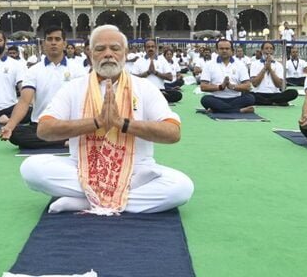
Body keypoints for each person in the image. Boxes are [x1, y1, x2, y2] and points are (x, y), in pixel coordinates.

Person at [19, 25, 193, 214]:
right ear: (90, 53)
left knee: (182, 187)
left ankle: (88, 200)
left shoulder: (144, 87)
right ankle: (118, 195)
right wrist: (96, 122)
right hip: (81, 166)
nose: (108, 54)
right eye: (101, 49)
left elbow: (173, 132)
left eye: (115, 48)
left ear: (125, 53)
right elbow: (44, 129)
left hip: (137, 168)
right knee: (31, 169)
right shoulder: (73, 88)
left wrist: (123, 123)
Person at [1, 27, 87, 149]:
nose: (53, 42)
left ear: (64, 44)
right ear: (43, 44)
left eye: (57, 39)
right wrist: (9, 126)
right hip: (41, 125)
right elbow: (24, 102)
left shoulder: (78, 69)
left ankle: (63, 139)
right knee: (16, 133)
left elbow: (85, 98)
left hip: (68, 124)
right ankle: (65, 142)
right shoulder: (34, 71)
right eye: (49, 39)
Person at [198, 39, 255, 114]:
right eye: (221, 49)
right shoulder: (209, 65)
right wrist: (220, 87)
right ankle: (239, 110)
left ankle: (217, 109)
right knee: (205, 99)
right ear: (217, 50)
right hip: (217, 98)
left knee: (250, 98)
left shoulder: (240, 64)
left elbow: (247, 86)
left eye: (227, 48)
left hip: (236, 98)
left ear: (232, 50)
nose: (224, 51)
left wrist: (233, 86)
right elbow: (203, 87)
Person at [127, 39, 181, 103]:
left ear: (156, 48)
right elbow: (133, 78)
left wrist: (155, 72)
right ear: (145, 48)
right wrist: (148, 73)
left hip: (159, 89)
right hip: (144, 91)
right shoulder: (139, 61)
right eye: (148, 47)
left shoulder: (162, 61)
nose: (150, 48)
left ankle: (159, 96)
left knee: (178, 95)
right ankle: (158, 97)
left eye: (152, 46)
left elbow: (170, 78)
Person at [248, 42, 298, 106]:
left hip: (275, 94)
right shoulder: (254, 64)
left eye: (271, 48)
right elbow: (255, 84)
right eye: (266, 48)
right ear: (262, 50)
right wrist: (265, 68)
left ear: (273, 51)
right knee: (248, 95)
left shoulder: (278, 65)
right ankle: (274, 102)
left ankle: (267, 102)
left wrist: (270, 70)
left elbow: (279, 85)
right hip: (259, 93)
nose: (269, 50)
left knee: (293, 92)